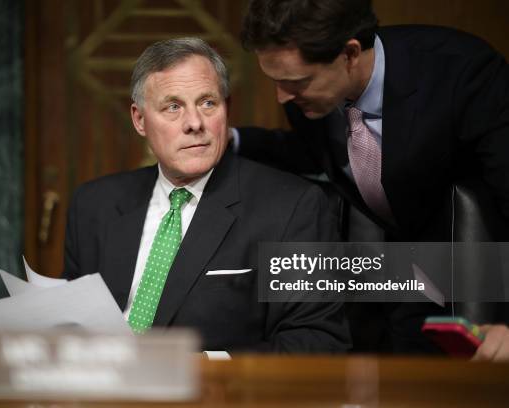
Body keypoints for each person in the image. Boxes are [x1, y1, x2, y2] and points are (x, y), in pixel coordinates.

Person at [236, 0, 509, 359]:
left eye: (295, 82)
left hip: (480, 283)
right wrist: (233, 141)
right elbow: (326, 153)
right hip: (400, 279)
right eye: (276, 81)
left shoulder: (463, 72)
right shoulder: (306, 96)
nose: (282, 96)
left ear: (349, 54)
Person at [62, 37, 351, 353]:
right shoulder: (93, 205)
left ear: (227, 108)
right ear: (140, 119)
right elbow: (69, 324)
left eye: (207, 103)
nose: (195, 123)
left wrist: (206, 370)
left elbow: (316, 341)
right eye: (173, 107)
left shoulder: (292, 207)